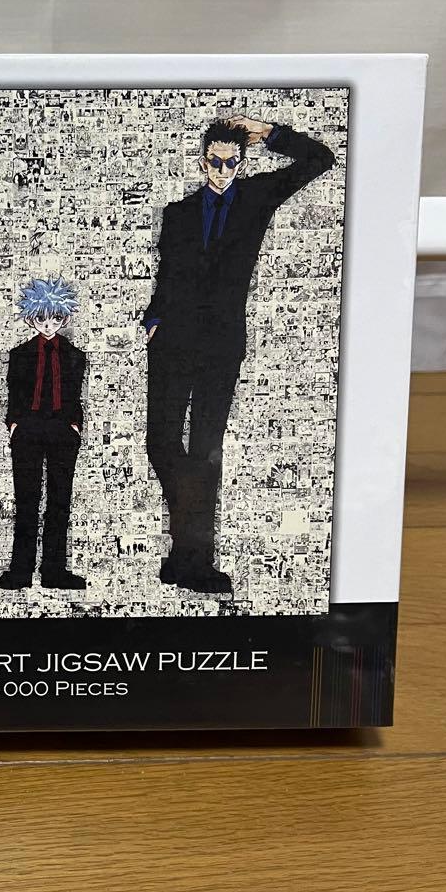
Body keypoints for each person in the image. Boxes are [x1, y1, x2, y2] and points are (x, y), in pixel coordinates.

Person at [144, 115, 334, 594]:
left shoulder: (256, 197)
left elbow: (320, 159)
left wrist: (268, 132)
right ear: (202, 161)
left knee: (205, 448)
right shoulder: (178, 213)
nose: (223, 170)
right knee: (160, 443)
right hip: (172, 339)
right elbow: (168, 274)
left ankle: (194, 561)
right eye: (215, 161)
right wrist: (154, 318)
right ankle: (186, 552)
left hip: (221, 342)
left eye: (232, 162)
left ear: (242, 162)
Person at [0, 276, 87, 591]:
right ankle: (21, 570)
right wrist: (15, 425)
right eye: (41, 319)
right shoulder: (20, 355)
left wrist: (74, 426)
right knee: (27, 501)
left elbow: (75, 394)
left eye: (55, 318)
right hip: (29, 430)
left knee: (59, 501)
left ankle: (54, 571)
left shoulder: (74, 355)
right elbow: (14, 393)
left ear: (64, 318)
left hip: (62, 430)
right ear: (31, 319)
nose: (48, 325)